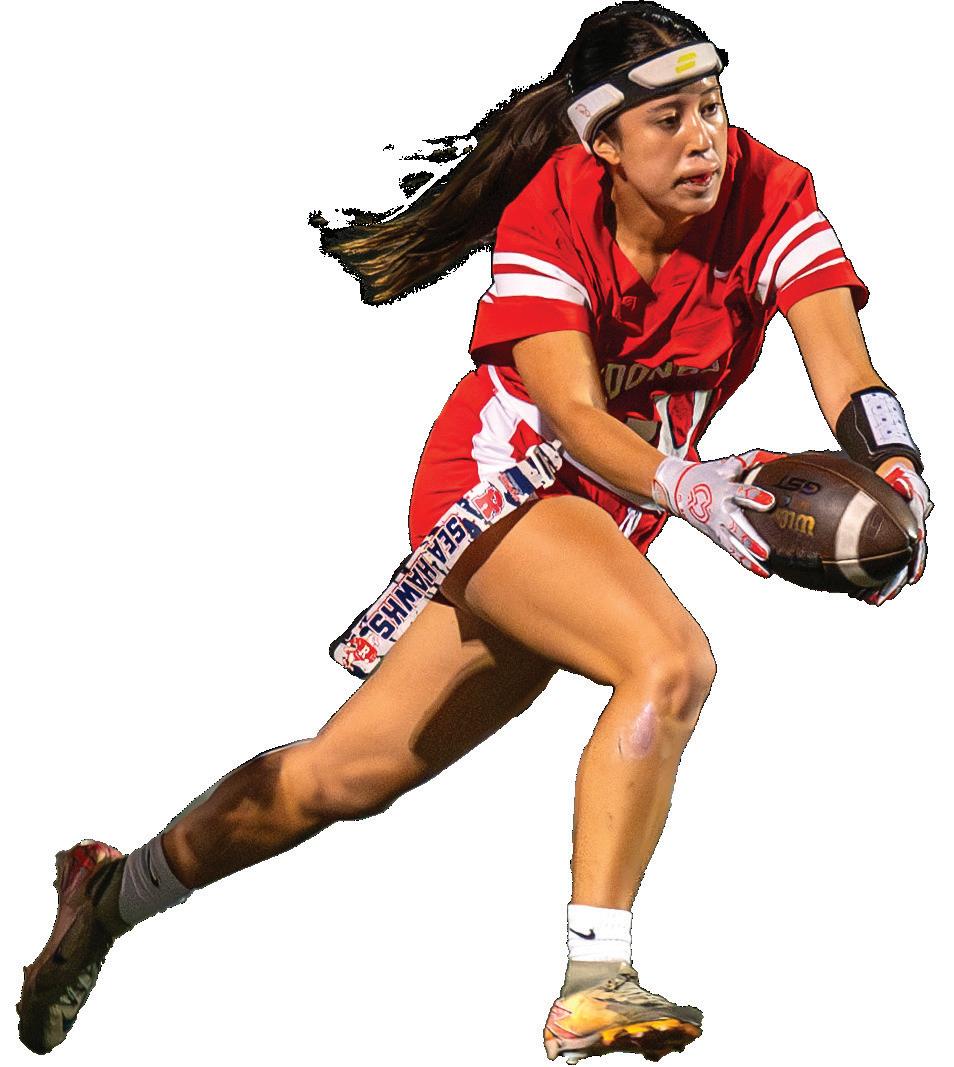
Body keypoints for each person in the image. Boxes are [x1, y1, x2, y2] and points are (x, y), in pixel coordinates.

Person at [17, 2, 932, 1062]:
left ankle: (108, 895)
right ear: (602, 142)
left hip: (609, 518)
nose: (706, 140)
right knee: (669, 660)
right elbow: (576, 419)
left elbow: (847, 369)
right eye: (670, 118)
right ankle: (595, 979)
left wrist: (897, 465)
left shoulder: (773, 192)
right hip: (505, 488)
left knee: (340, 776)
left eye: (714, 106)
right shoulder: (553, 212)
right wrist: (695, 488)